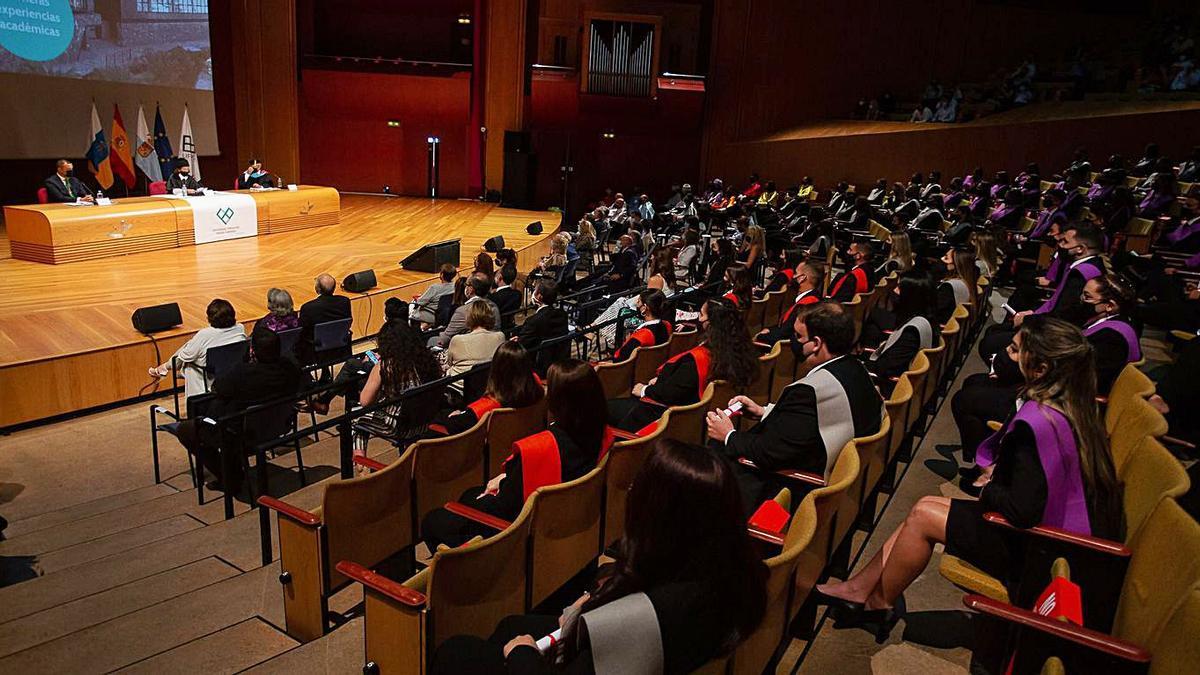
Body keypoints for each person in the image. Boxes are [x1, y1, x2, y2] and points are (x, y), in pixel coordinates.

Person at [815, 318, 1123, 640]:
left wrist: (989, 485)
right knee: (925, 505)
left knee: (922, 517)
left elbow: (1022, 511)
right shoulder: (1074, 404)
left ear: (1041, 367)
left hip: (1040, 552)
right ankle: (858, 588)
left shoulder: (1040, 425)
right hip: (1046, 535)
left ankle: (878, 604)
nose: (1006, 352)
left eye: (1016, 350)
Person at [431, 438, 768, 675]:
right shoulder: (733, 572)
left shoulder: (639, 619)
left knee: (455, 652)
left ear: (658, 515)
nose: (632, 490)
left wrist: (523, 656)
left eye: (640, 487)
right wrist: (586, 610)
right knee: (510, 624)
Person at [707, 303, 883, 512]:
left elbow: (769, 452)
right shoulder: (858, 370)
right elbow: (810, 425)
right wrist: (764, 411)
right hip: (839, 479)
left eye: (799, 337)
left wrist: (728, 435)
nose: (795, 343)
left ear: (816, 343)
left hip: (782, 487)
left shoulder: (808, 391)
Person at [421, 359, 612, 549]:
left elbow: (505, 508)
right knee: (469, 494)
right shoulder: (603, 435)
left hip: (518, 537)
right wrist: (507, 478)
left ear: (557, 401)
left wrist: (499, 486)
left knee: (433, 520)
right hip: (571, 517)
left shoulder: (538, 448)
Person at [173, 330, 303, 492]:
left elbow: (217, 388)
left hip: (245, 433)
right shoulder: (291, 368)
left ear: (252, 352)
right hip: (280, 426)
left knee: (186, 430)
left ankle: (230, 477)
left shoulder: (243, 374)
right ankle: (233, 468)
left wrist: (243, 363)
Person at [609, 298, 758, 432]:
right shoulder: (737, 353)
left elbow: (670, 394)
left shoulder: (697, 360)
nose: (698, 318)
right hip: (694, 418)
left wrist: (645, 390)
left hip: (661, 416)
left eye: (701, 314)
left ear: (710, 324)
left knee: (600, 408)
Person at [353, 319, 443, 456]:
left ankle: (360, 463)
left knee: (355, 417)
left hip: (399, 426)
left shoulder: (384, 366)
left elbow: (365, 401)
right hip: (425, 421)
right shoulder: (426, 360)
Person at [148, 298, 247, 400]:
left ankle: (167, 368)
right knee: (191, 346)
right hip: (230, 369)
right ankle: (171, 368)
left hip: (208, 374)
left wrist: (170, 364)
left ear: (210, 318)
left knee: (186, 358)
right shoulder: (240, 328)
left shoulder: (205, 334)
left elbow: (185, 355)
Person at [864, 271, 937, 394]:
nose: (894, 291)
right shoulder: (925, 319)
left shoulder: (912, 332)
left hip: (887, 387)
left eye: (899, 288)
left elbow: (886, 368)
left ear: (911, 296)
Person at [1079, 274, 1141, 393]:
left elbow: (1092, 379)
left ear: (1109, 305)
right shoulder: (1113, 319)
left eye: (1087, 297)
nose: (1082, 299)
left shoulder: (1112, 337)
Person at [758, 259, 823, 344]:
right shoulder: (813, 297)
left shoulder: (806, 304)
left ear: (802, 278)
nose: (793, 276)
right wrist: (770, 329)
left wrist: (760, 336)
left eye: (795, 273)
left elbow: (785, 334)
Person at [430, 273, 501, 349]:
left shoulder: (462, 311)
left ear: (471, 289)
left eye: (466, 284)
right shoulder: (494, 306)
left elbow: (444, 340)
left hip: (468, 350)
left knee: (431, 340)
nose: (465, 287)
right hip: (490, 350)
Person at [515, 279, 570, 375]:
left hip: (540, 368)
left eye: (534, 291)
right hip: (561, 363)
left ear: (539, 296)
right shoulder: (562, 315)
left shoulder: (533, 321)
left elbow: (521, 345)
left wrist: (518, 340)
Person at [445, 300, 507, 384]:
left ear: (469, 317)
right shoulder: (500, 336)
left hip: (461, 388)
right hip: (490, 384)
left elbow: (449, 362)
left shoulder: (457, 340)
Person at [298, 273, 353, 364]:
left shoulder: (308, 307)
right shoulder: (344, 301)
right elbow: (349, 321)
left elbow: (303, 329)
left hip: (316, 347)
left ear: (317, 289)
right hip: (340, 343)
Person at [613, 289, 673, 362]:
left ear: (644, 308)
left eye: (638, 301)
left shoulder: (642, 336)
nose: (636, 303)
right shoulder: (667, 325)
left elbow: (618, 359)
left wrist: (629, 341)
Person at [935, 247, 980, 324]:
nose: (941, 259)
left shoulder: (948, 287)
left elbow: (936, 312)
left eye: (946, 258)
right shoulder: (968, 281)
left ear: (955, 264)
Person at [491, 265, 522, 330]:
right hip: (510, 327)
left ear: (500, 277)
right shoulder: (517, 295)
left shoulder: (492, 297)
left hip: (494, 328)